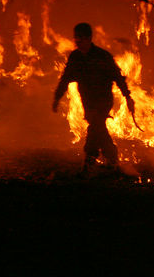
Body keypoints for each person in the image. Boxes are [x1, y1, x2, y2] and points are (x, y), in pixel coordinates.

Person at [52, 22, 135, 173]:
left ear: (89, 38)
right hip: (88, 101)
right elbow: (65, 78)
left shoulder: (102, 56)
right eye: (76, 38)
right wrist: (57, 98)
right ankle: (111, 159)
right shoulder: (75, 57)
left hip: (103, 100)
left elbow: (117, 76)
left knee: (95, 126)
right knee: (99, 128)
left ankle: (90, 159)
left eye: (81, 38)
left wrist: (127, 96)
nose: (78, 41)